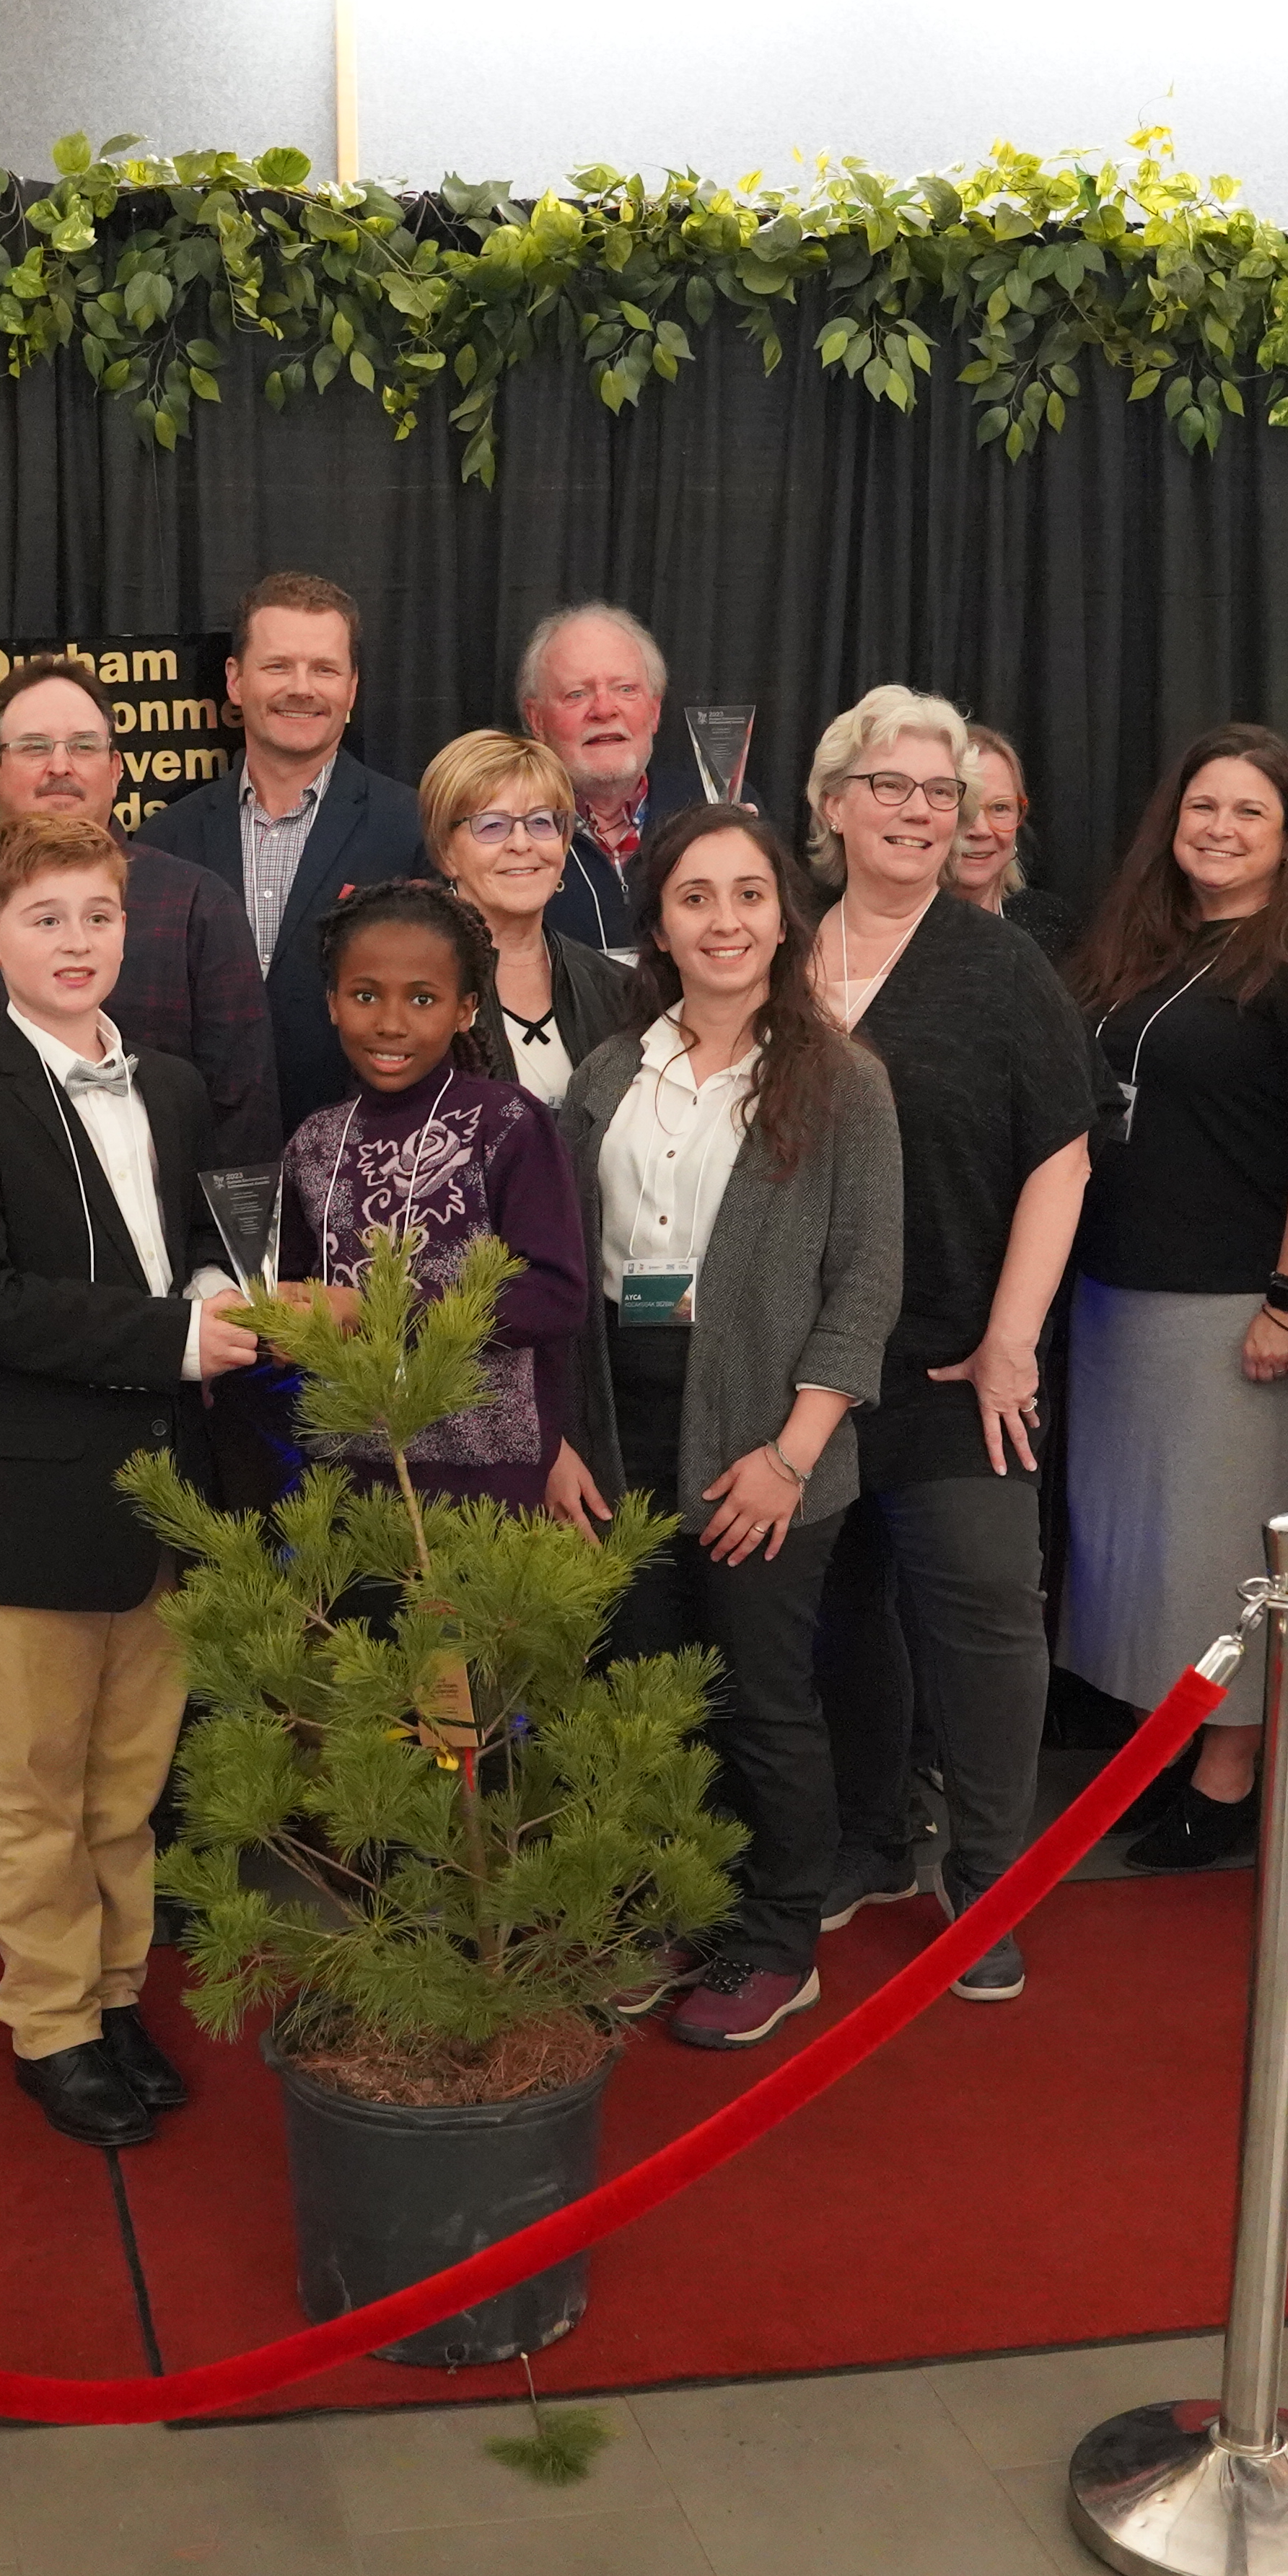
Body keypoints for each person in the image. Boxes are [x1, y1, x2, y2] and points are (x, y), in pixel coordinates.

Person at [0, 816, 261, 2145]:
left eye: (97, 917)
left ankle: (113, 1994)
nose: (77, 941)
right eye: (46, 918)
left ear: (131, 932)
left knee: (128, 1780)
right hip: (30, 1495)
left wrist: (221, 1294)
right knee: (38, 1784)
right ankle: (49, 2023)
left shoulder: (168, 1087)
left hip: (162, 1486)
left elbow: (187, 1250)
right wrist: (172, 1335)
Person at [546, 807, 905, 2051]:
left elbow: (865, 1288)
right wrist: (562, 1436)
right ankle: (667, 1910)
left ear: (782, 918)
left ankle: (775, 1939)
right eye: (697, 898)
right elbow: (560, 1273)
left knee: (759, 1696)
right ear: (658, 925)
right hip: (622, 1419)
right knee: (644, 1694)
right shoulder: (607, 1075)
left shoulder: (842, 1082)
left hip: (768, 1429)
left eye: (750, 895)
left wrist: (792, 1457)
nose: (726, 921)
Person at [797, 693, 1095, 2006]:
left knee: (980, 1619)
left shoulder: (999, 965)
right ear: (833, 804)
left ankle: (988, 1878)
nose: (918, 811)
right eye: (890, 785)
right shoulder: (777, 954)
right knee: (837, 1618)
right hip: (804, 1371)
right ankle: (870, 1838)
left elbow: (1062, 1156)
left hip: (953, 1366)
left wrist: (1011, 1343)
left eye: (940, 791)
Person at [1063, 726, 1288, 1867]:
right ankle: (1165, 1751)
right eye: (1202, 809)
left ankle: (1229, 1780)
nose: (1218, 830)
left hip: (1236, 1304)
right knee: (1134, 1549)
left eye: (1248, 814)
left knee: (1221, 1552)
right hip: (1113, 1290)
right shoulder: (1143, 946)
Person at [0, 652, 276, 1161]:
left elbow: (243, 1110)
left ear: (114, 769)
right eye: (34, 747)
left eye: (83, 747)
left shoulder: (197, 904)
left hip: (150, 1223)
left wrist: (213, 1239)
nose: (59, 766)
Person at [273, 883, 590, 1511]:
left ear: (466, 1009)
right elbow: (294, 1291)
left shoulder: (506, 1124)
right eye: (365, 996)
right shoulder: (313, 1144)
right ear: (333, 1003)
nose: (391, 1023)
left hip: (489, 1487)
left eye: (423, 999)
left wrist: (371, 1309)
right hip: (348, 1485)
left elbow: (553, 1297)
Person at [149, 572, 427, 1121]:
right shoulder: (165, 839)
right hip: (202, 1157)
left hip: (367, 1150)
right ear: (235, 680)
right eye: (278, 666)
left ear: (352, 687)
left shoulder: (414, 828)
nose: (302, 687)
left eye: (324, 669)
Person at [518, 602, 744, 951]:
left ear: (654, 711)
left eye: (626, 689)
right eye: (577, 694)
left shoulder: (719, 808)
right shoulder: (508, 834)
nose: (605, 709)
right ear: (537, 721)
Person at [421, 729, 629, 1106]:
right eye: (492, 825)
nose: (521, 843)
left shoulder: (618, 989)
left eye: (541, 822)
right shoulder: (411, 990)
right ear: (446, 853)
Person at [954, 725, 1079, 959]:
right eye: (964, 809)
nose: (980, 830)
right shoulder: (892, 935)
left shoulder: (1051, 924)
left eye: (1000, 808)